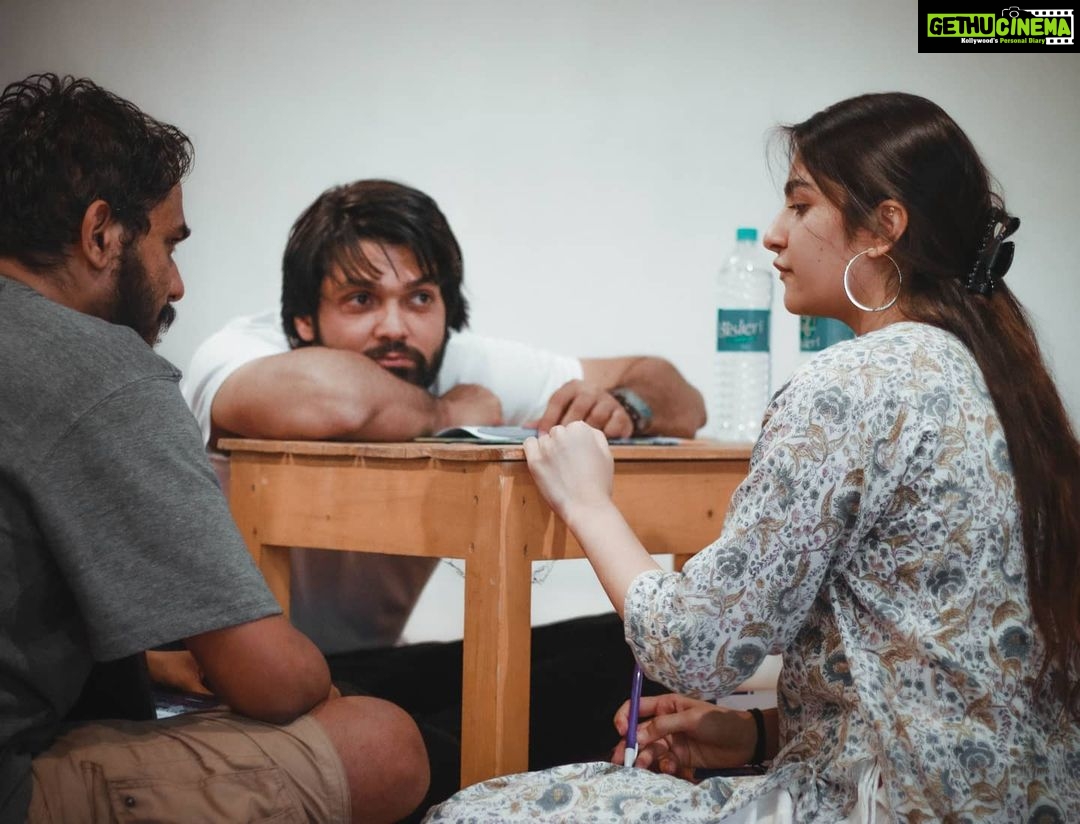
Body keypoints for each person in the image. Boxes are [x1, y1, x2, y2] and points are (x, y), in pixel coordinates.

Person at [425, 92, 1080, 823]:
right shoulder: (1006, 382)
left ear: (884, 228)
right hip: (1018, 801)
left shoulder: (850, 384)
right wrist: (756, 732)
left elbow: (697, 648)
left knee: (472, 813)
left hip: (884, 805)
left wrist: (587, 502)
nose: (774, 234)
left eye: (800, 206)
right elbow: (938, 664)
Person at [179, 178, 706, 810]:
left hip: (371, 669)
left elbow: (679, 395)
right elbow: (330, 398)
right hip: (246, 689)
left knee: (630, 650)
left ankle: (473, 780)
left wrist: (624, 404)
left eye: (419, 298)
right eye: (360, 299)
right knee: (463, 744)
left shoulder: (454, 360)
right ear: (302, 321)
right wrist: (447, 411)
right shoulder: (245, 352)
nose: (394, 327)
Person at [0, 73, 429, 824]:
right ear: (101, 234)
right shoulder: (105, 368)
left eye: (419, 298)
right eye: (168, 245)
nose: (176, 284)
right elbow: (272, 681)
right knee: (382, 743)